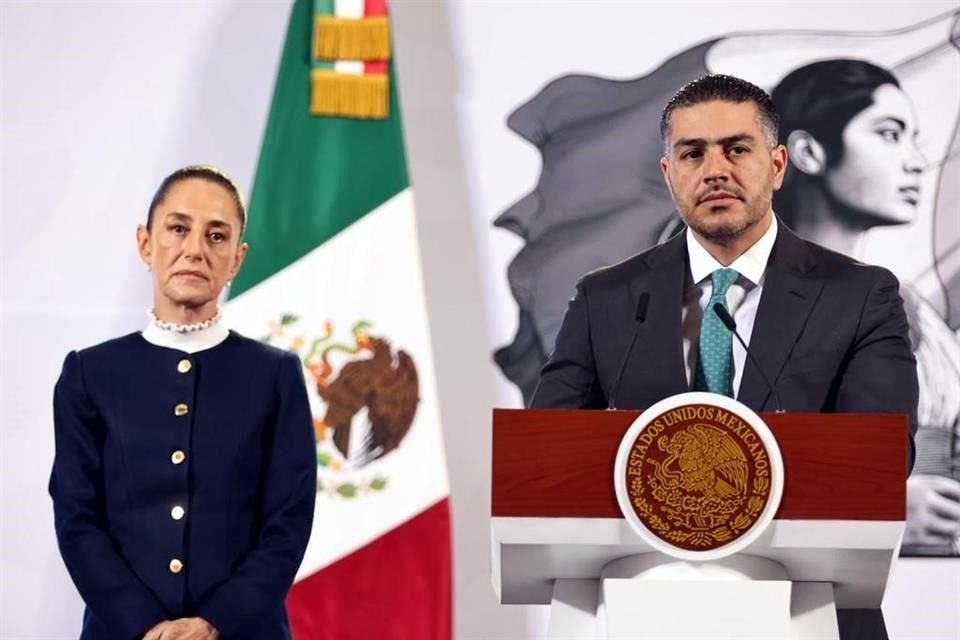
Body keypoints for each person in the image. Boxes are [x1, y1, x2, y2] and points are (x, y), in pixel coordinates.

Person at [530, 74, 918, 640]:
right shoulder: (605, 299)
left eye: (737, 149)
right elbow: (546, 458)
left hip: (810, 613)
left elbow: (880, 457)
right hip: (645, 612)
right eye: (692, 153)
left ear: (779, 165)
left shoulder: (860, 296)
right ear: (670, 175)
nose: (715, 169)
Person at [49, 166, 317, 639]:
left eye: (217, 236)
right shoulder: (90, 374)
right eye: (178, 228)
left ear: (237, 258)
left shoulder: (274, 376)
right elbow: (77, 520)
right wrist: (145, 624)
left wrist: (214, 623)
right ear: (146, 243)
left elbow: (288, 524)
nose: (195, 249)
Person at [771, 59, 960, 557]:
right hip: (817, 584)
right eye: (889, 134)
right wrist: (879, 508)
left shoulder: (908, 305)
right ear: (809, 152)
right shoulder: (749, 302)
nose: (917, 160)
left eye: (914, 137)